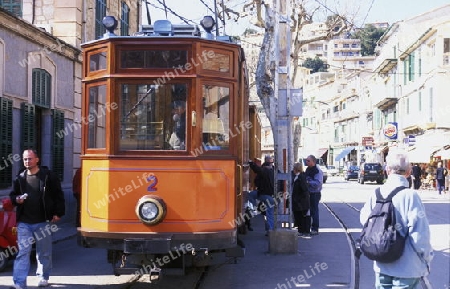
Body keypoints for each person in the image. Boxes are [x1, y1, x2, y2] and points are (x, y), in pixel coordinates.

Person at [360, 149, 433, 289]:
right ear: (408, 172)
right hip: (407, 268)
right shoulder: (410, 196)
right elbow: (419, 234)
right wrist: (427, 257)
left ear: (387, 169)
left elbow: (365, 220)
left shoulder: (376, 193)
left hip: (381, 264)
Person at [9, 149, 65, 289]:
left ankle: (43, 277)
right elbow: (12, 196)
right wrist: (17, 199)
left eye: (30, 158)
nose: (27, 161)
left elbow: (59, 195)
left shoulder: (48, 176)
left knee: (43, 252)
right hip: (24, 222)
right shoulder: (20, 178)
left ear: (37, 159)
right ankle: (20, 283)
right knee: (22, 252)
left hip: (43, 221)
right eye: (25, 159)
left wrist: (58, 213)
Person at [249, 158, 275, 236]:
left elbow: (257, 170)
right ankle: (270, 230)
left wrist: (251, 163)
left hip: (263, 194)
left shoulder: (264, 171)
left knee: (249, 195)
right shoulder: (275, 172)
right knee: (270, 214)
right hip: (272, 196)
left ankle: (253, 209)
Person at [304, 155, 323, 236]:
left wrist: (308, 182)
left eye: (308, 161)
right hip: (308, 193)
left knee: (314, 211)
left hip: (314, 193)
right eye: (306, 160)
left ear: (313, 162)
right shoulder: (308, 169)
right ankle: (307, 227)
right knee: (309, 211)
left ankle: (315, 228)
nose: (306, 162)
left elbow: (318, 183)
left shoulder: (317, 171)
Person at [291, 162, 310, 237]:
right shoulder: (298, 176)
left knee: (301, 216)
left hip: (300, 202)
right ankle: (302, 230)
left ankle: (303, 231)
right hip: (299, 201)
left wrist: (298, 199)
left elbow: (304, 189)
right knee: (299, 216)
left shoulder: (301, 177)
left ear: (296, 169)